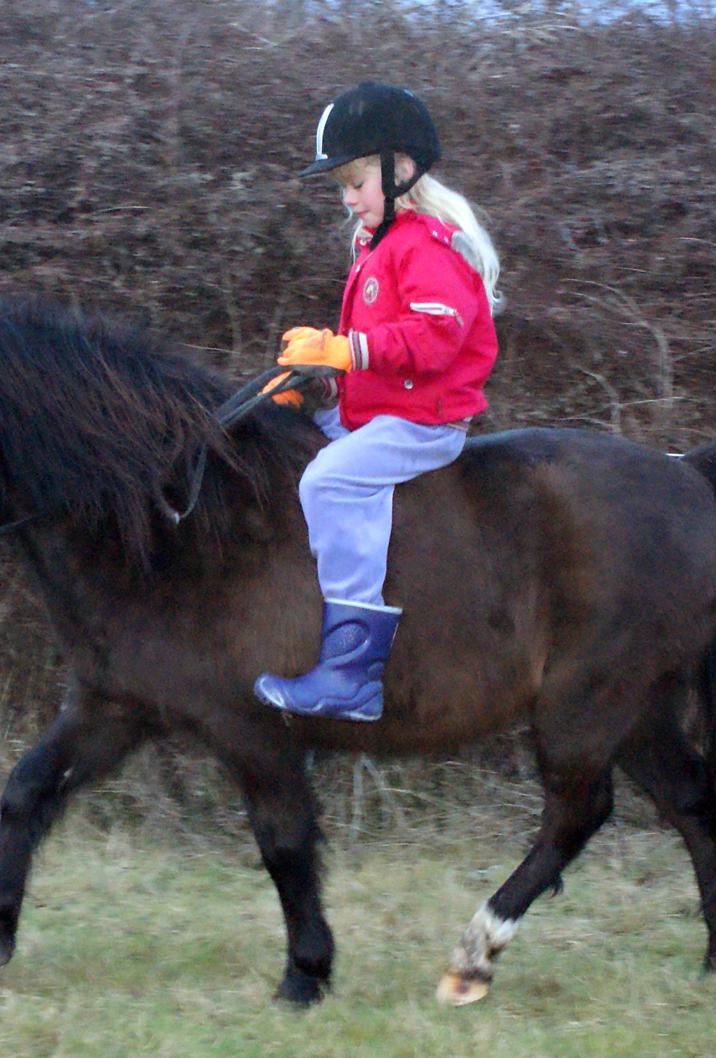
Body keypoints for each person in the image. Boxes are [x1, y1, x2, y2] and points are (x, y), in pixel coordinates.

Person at [254, 81, 502, 723]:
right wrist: (318, 385)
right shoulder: (379, 245)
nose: (347, 199)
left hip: (423, 423)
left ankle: (351, 672)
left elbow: (435, 337)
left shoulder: (424, 244)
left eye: (355, 183)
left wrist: (343, 351)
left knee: (328, 484)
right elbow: (373, 355)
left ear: (401, 172)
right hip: (380, 410)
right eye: (342, 186)